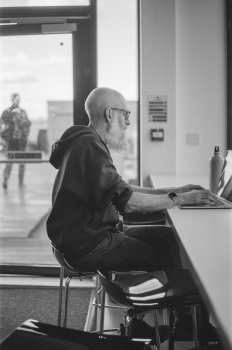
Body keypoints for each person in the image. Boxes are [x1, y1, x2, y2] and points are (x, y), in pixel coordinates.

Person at [47, 87, 222, 342]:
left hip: (81, 238)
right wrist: (180, 199)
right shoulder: (89, 146)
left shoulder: (85, 140)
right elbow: (128, 203)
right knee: (156, 252)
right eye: (125, 115)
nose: (128, 123)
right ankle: (156, 320)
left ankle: (176, 320)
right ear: (109, 114)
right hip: (87, 245)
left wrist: (174, 190)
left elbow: (121, 188)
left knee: (166, 238)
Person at [0, 93, 31, 189]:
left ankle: (21, 183)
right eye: (15, 98)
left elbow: (27, 125)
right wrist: (5, 138)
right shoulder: (6, 112)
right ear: (12, 99)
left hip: (21, 142)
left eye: (18, 98)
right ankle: (5, 181)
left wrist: (24, 134)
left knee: (22, 164)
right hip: (11, 142)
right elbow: (2, 126)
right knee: (9, 163)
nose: (17, 100)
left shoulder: (22, 112)